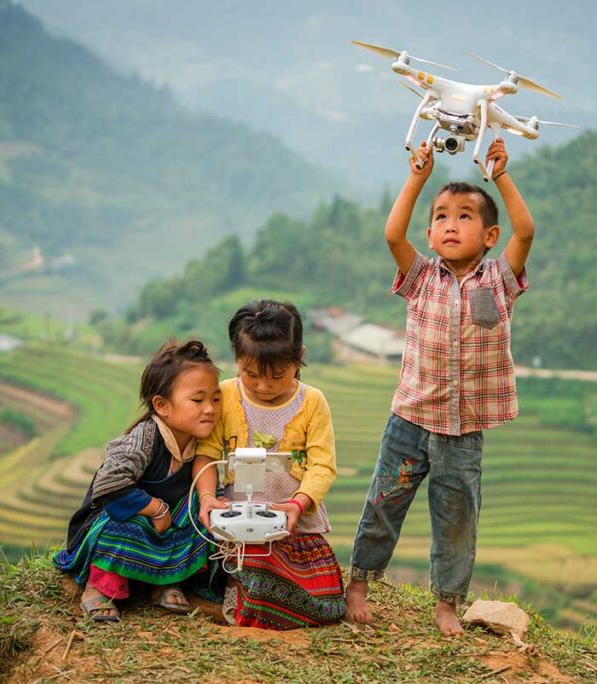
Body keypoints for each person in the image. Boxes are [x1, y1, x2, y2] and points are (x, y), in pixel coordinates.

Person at [346, 138, 533, 636]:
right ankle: (360, 582)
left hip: (463, 431)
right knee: (383, 503)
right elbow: (391, 234)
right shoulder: (420, 277)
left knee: (456, 520)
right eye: (442, 216)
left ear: (491, 234)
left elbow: (528, 230)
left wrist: (501, 175)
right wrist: (417, 178)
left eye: (466, 216)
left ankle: (447, 603)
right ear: (429, 233)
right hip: (409, 418)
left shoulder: (499, 282)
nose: (452, 224)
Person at [193, 299, 346, 630]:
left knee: (327, 601)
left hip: (293, 523)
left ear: (299, 357)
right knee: (251, 564)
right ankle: (240, 591)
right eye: (250, 374)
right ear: (236, 359)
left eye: (277, 375)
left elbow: (322, 465)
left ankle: (253, 595)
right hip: (235, 524)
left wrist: (297, 505)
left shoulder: (312, 402)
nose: (263, 386)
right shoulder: (226, 395)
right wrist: (207, 499)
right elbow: (206, 452)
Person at [54, 339, 223, 622]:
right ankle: (99, 588)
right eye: (198, 400)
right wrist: (154, 509)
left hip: (165, 526)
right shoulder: (144, 438)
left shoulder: (201, 444)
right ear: (161, 405)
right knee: (121, 523)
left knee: (200, 514)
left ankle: (164, 581)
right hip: (122, 521)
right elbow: (109, 485)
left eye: (215, 399)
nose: (210, 409)